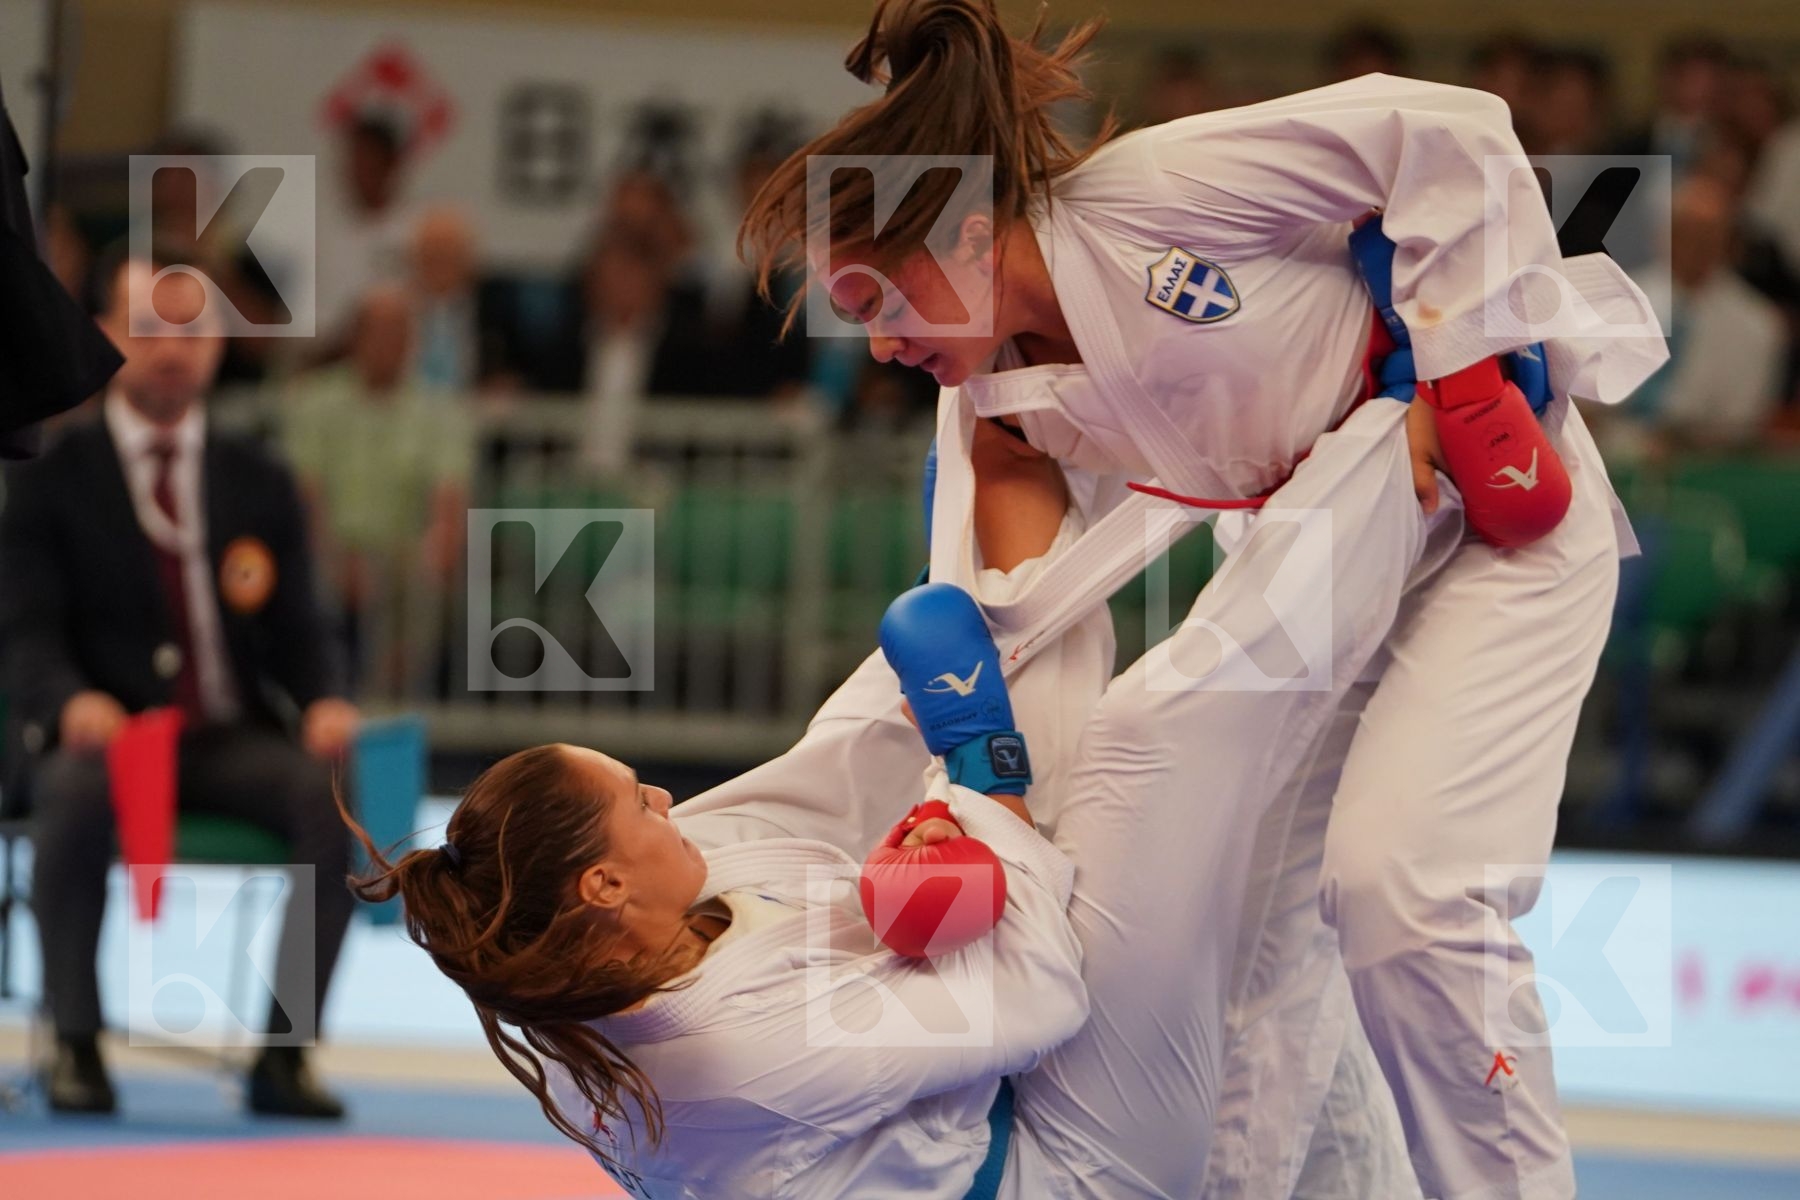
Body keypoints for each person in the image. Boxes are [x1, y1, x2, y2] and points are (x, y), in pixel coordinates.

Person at [738, 3, 1667, 1197]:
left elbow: (1450, 126)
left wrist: (1459, 352)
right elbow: (1023, 650)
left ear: (967, 233)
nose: (875, 344)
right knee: (1257, 968)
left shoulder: (1155, 194)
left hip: (1485, 524)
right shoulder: (999, 413)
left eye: (876, 298)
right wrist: (983, 811)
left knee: (1402, 895)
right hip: (1319, 585)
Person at [0, 243, 361, 1118]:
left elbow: (299, 627)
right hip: (107, 737)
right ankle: (76, 1046)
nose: (169, 349)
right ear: (102, 334)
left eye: (191, 329)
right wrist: (68, 700)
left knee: (326, 798)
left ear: (217, 345)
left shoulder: (260, 480)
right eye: (146, 327)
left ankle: (286, 1053)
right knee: (72, 799)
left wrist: (322, 701)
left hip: (225, 738)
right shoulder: (52, 478)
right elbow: (25, 628)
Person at [283, 283, 472, 694]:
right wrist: (333, 555)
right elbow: (303, 494)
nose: (390, 344)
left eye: (400, 333)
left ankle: (387, 702)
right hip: (326, 543)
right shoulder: (314, 400)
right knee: (303, 571)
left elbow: (449, 500)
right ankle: (319, 698)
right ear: (356, 337)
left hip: (401, 551)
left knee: (425, 576)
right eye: (379, 332)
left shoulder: (439, 410)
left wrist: (437, 547)